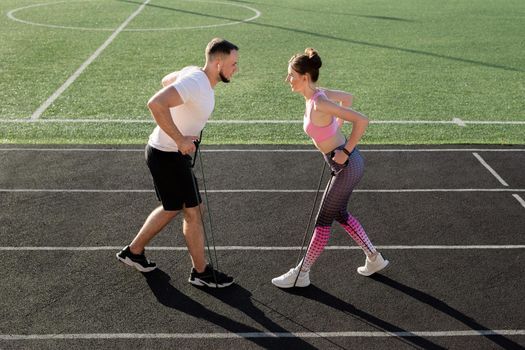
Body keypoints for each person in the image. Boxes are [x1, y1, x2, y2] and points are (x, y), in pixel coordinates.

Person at [117, 38, 239, 288]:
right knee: (192, 211)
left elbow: (166, 81)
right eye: (233, 63)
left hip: (169, 154)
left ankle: (134, 251)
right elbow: (156, 102)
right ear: (218, 63)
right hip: (166, 155)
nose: (235, 68)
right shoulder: (196, 82)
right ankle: (201, 273)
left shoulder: (195, 75)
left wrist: (182, 127)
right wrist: (179, 137)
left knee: (176, 207)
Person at [272, 48, 389, 288]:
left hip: (348, 165)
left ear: (305, 77)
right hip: (340, 165)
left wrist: (344, 151)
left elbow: (362, 120)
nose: (287, 80)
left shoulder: (320, 103)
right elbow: (347, 97)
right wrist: (336, 125)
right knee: (340, 214)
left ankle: (301, 274)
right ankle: (374, 259)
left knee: (323, 221)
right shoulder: (316, 97)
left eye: (291, 75)